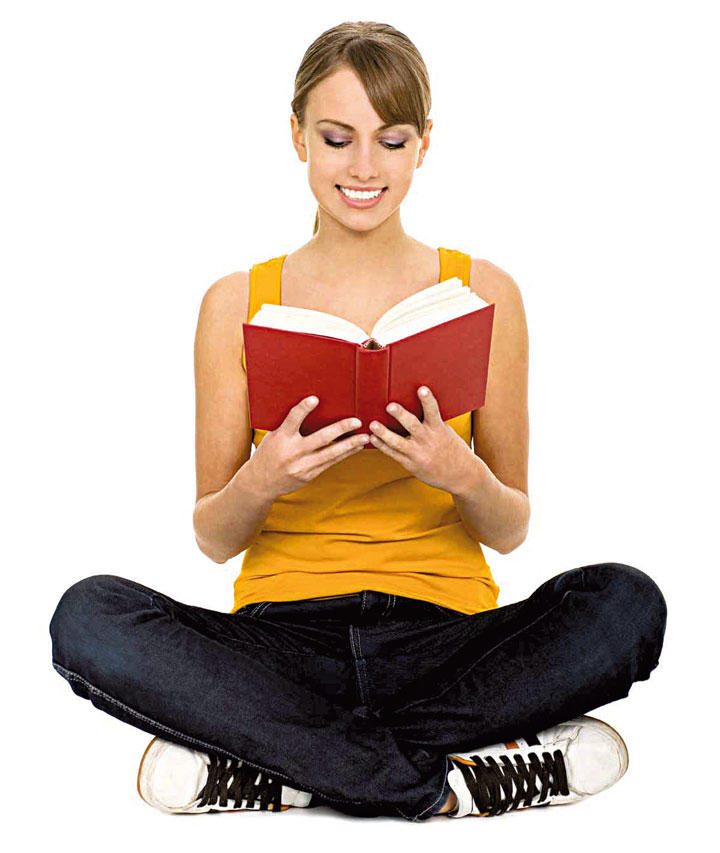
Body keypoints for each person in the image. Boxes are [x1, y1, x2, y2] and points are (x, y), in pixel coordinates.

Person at [48, 21, 667, 822]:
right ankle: (444, 783)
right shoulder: (234, 303)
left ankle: (286, 767)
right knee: (89, 615)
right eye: (337, 139)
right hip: (281, 648)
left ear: (424, 144)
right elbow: (213, 536)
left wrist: (460, 474)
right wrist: (263, 478)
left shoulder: (486, 293)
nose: (365, 167)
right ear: (297, 136)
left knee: (625, 603)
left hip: (448, 645)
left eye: (392, 140)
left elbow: (510, 527)